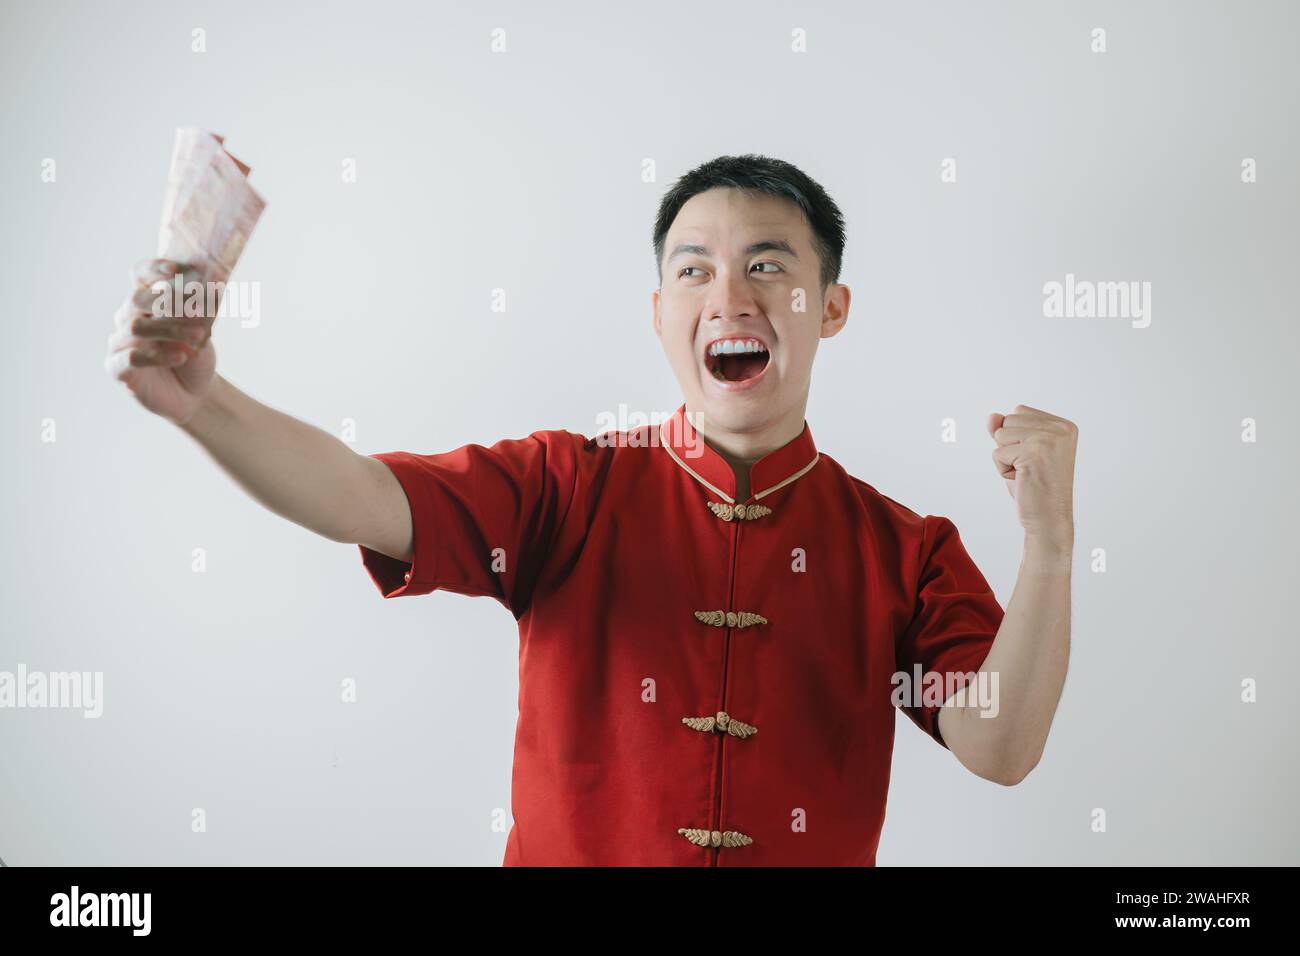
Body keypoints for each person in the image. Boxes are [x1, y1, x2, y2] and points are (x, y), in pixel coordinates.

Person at [104, 154, 1077, 866]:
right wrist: (205, 405)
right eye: (693, 268)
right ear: (659, 310)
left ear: (831, 306)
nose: (729, 293)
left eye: (769, 265)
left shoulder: (901, 550)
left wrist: (1047, 545)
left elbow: (998, 745)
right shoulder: (568, 487)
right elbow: (364, 494)